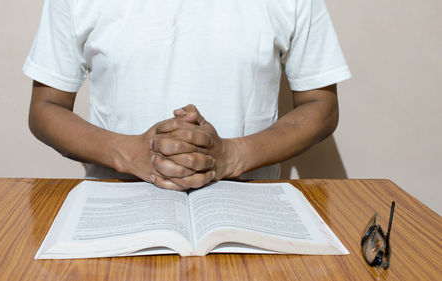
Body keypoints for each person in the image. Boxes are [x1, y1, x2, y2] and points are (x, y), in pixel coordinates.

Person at [24, 0, 351, 191]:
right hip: (117, 204)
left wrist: (233, 155)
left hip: (249, 210)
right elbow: (45, 108)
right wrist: (129, 153)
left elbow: (320, 105)